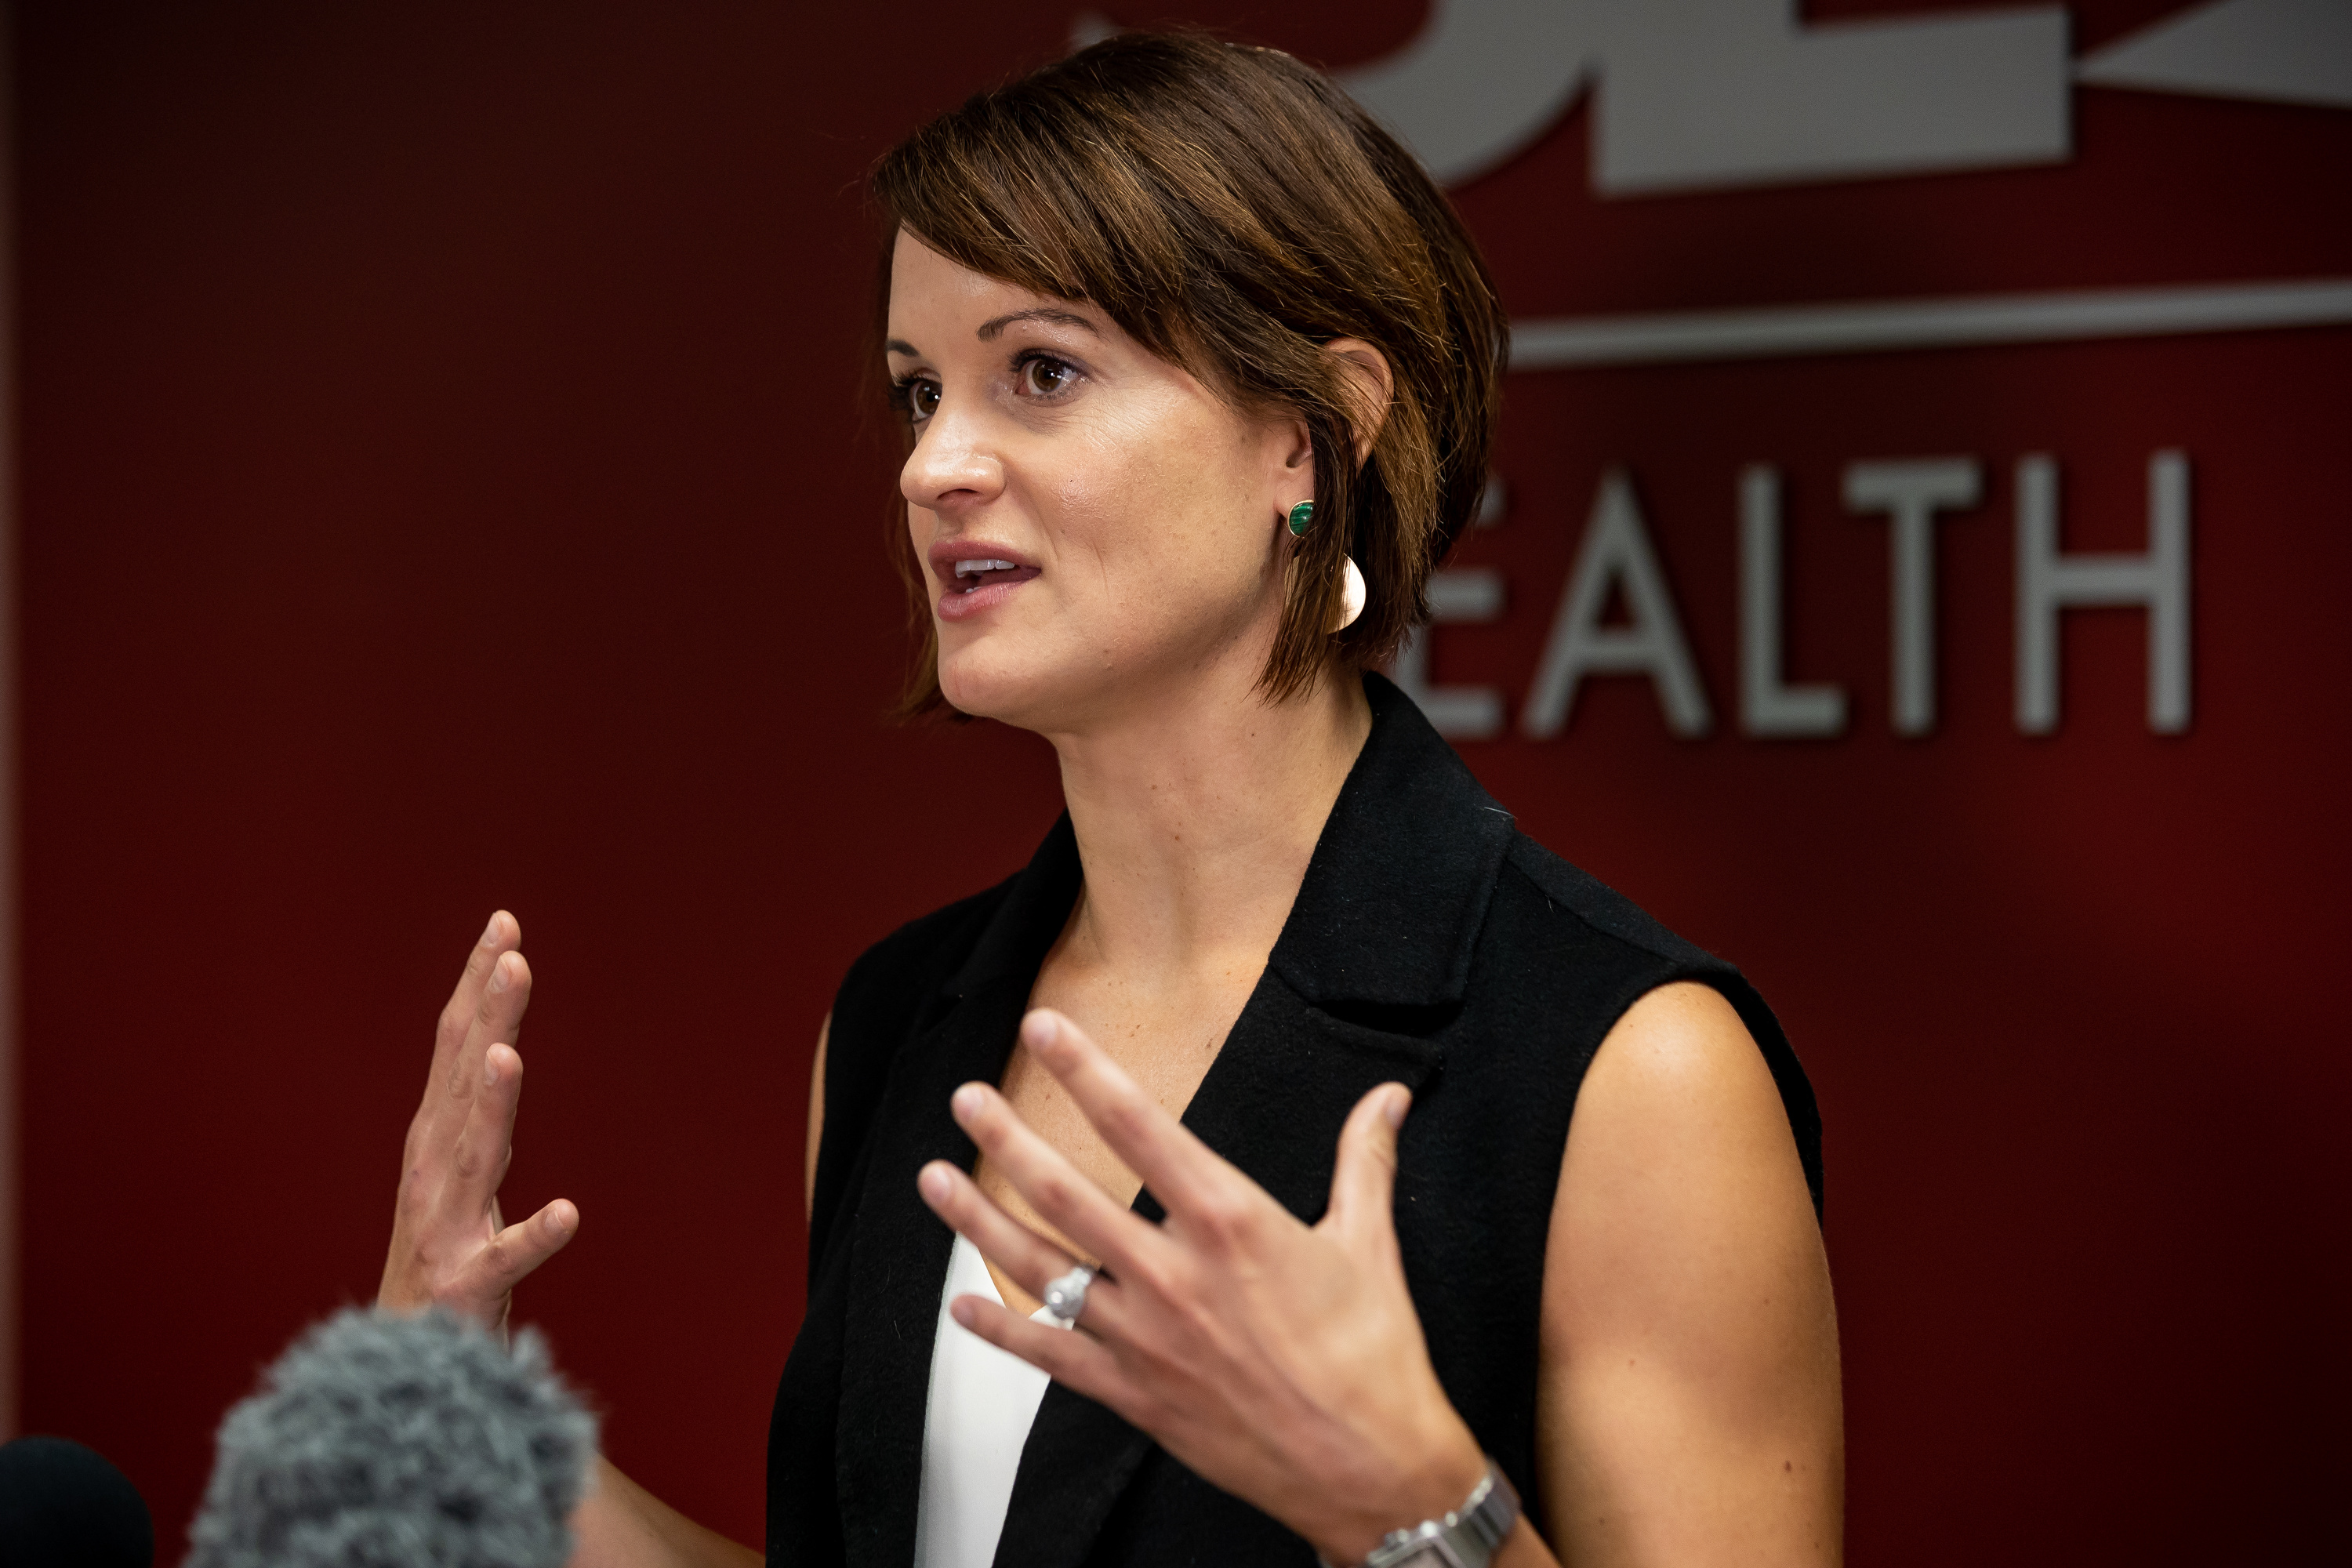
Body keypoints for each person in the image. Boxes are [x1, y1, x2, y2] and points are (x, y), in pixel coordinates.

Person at [376, 31, 1842, 1568]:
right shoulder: (899, 1019)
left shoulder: (1635, 1069)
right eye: (920, 391)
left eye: (1042, 373)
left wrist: (1410, 1503)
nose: (932, 467)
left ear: (1310, 436)